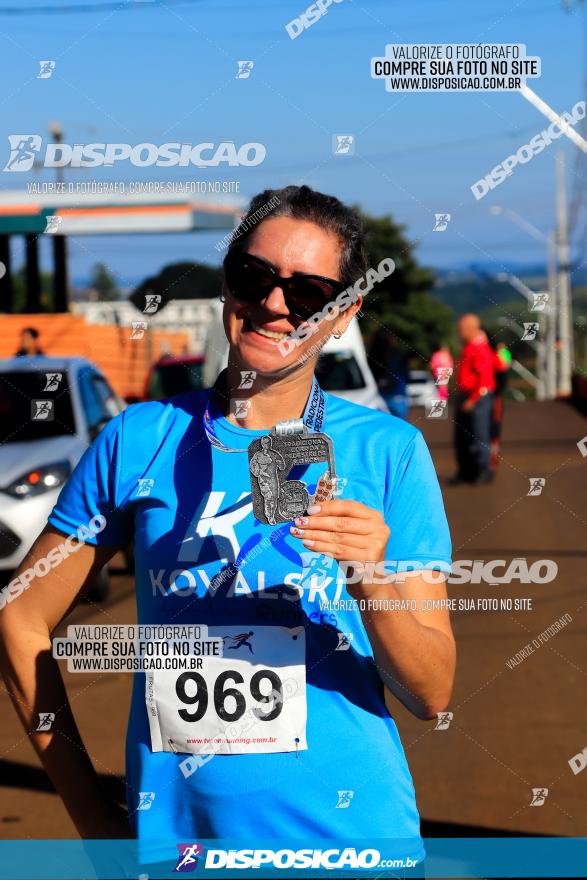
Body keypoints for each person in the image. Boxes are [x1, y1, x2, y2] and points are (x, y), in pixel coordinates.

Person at [0, 186, 455, 875]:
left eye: (308, 293)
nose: (275, 304)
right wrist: (93, 822)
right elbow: (20, 618)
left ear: (343, 314)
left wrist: (372, 578)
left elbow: (431, 692)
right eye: (254, 276)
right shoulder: (138, 440)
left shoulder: (387, 451)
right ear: (228, 281)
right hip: (180, 855)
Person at [452, 314, 496, 484]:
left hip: (477, 398)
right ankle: (466, 471)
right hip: (467, 396)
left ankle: (483, 469)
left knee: (479, 434)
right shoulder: (469, 346)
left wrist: (474, 399)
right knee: (463, 436)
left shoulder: (479, 347)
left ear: (470, 329)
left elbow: (484, 377)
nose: (459, 332)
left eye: (461, 329)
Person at [489, 340, 511, 471]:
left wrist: (497, 393)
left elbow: (503, 372)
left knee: (494, 427)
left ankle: (493, 457)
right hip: (494, 397)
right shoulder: (495, 357)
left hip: (494, 398)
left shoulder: (497, 357)